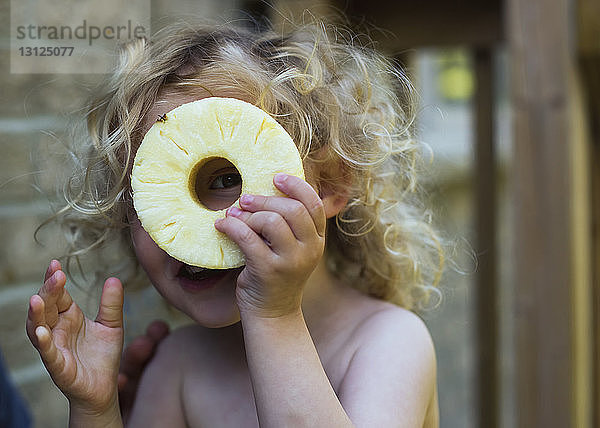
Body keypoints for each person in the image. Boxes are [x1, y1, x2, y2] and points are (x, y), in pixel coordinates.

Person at [26, 19, 445, 427]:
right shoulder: (181, 364)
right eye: (149, 195)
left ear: (330, 183)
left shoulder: (388, 342)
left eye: (226, 180)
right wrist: (96, 412)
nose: (186, 228)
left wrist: (275, 316)